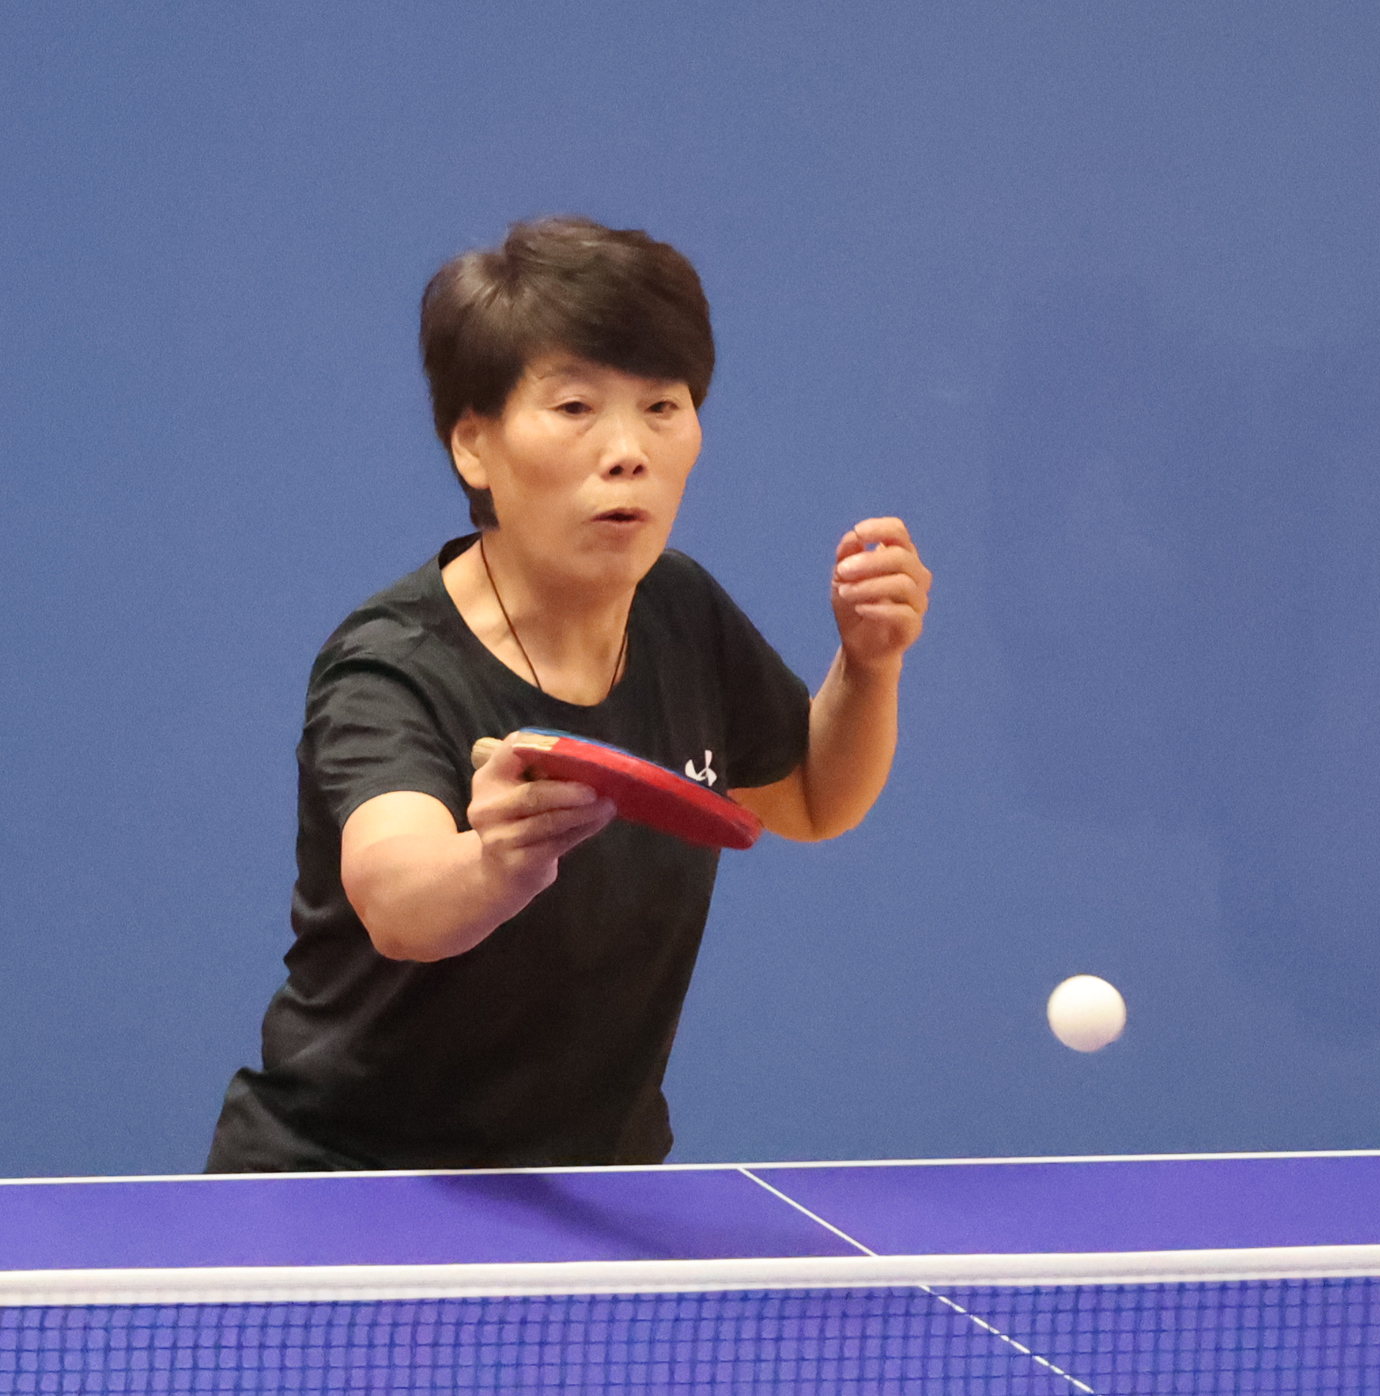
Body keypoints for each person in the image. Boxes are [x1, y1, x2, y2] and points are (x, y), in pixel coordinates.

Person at [206, 217, 931, 1171]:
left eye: (662, 406)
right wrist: (493, 865)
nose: (628, 451)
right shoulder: (391, 665)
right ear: (474, 445)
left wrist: (869, 665)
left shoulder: (681, 609)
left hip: (591, 1184)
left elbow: (810, 796)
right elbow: (397, 899)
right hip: (353, 1187)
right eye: (576, 406)